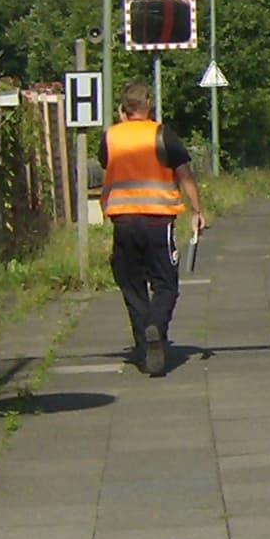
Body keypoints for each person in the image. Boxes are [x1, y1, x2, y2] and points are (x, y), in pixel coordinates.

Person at [100, 80, 204, 374]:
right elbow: (184, 175)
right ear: (149, 105)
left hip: (123, 221)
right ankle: (156, 326)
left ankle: (145, 348)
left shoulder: (110, 136)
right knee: (166, 283)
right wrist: (197, 210)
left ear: (122, 109)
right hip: (159, 220)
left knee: (131, 283)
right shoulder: (161, 134)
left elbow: (107, 163)